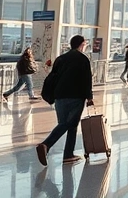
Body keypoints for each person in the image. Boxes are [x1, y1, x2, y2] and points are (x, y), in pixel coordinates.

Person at [37, 35, 94, 166]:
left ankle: (68, 154)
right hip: (76, 96)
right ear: (81, 44)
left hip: (59, 96)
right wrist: (89, 97)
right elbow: (86, 80)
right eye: (85, 44)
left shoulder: (61, 58)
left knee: (66, 123)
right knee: (69, 123)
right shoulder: (83, 59)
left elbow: (53, 77)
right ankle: (46, 144)